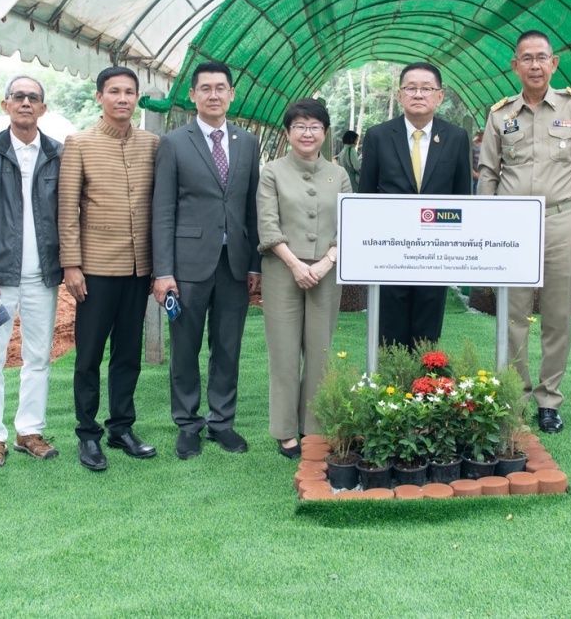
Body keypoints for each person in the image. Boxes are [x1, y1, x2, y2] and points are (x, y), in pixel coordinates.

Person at [477, 31, 571, 434]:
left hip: (562, 219)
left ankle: (549, 400)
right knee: (512, 312)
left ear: (554, 63)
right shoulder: (500, 114)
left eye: (541, 57)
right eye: (526, 58)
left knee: (557, 312)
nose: (534, 65)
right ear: (515, 65)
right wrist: (486, 225)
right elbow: (488, 173)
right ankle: (516, 394)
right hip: (512, 223)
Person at [152, 61, 261, 460]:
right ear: (193, 95)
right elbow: (163, 209)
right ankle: (187, 424)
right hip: (187, 264)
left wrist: (254, 264)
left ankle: (222, 422)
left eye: (220, 88)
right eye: (205, 88)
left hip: (234, 263)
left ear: (232, 94)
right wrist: (164, 271)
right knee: (185, 347)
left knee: (228, 346)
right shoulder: (174, 143)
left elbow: (251, 206)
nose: (213, 95)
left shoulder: (247, 142)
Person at [0, 76, 64, 468]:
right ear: (5, 104)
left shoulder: (57, 154)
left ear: (43, 108)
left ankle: (29, 431)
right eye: (18, 96)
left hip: (43, 276)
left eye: (33, 97)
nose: (25, 102)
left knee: (38, 357)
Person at [58, 66, 160, 471]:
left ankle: (121, 427)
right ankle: (88, 433)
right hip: (95, 270)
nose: (122, 98)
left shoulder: (151, 144)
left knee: (128, 354)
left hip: (138, 269)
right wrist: (71, 264)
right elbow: (67, 209)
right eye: (114, 91)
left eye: (129, 92)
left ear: (137, 98)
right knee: (89, 356)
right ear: (99, 96)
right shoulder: (79, 143)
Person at [257, 99, 350, 457]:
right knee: (283, 352)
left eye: (314, 127)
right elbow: (268, 224)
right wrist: (296, 264)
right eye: (299, 126)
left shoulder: (338, 175)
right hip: (282, 271)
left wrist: (327, 262)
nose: (307, 133)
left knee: (319, 350)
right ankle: (284, 429)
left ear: (325, 133)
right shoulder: (272, 172)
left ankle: (314, 426)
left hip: (327, 273)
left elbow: (348, 223)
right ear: (288, 132)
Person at [357, 61, 472, 348]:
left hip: (436, 248)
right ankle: (391, 376)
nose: (418, 94)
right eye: (411, 88)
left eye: (426, 88)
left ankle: (426, 376)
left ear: (439, 96)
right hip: (389, 247)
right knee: (390, 325)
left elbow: (462, 197)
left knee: (428, 327)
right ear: (399, 95)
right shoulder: (378, 136)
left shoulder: (456, 137)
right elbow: (366, 196)